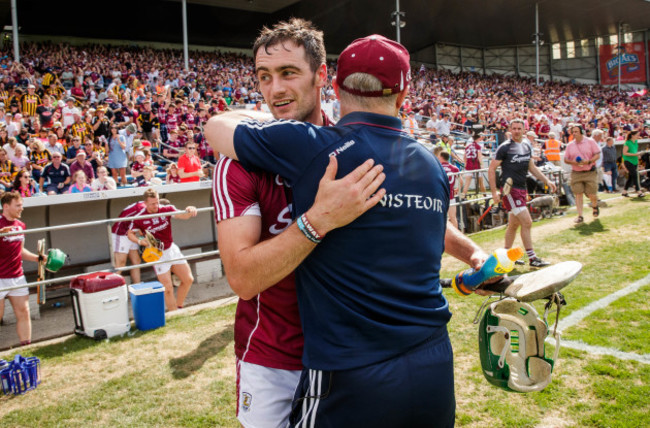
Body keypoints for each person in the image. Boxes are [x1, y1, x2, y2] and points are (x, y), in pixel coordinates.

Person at [207, 34, 493, 428]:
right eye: (263, 76)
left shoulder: (329, 146)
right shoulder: (240, 163)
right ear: (403, 92)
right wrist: (317, 220)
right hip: (278, 355)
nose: (275, 89)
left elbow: (411, 215)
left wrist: (472, 253)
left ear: (326, 78)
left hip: (346, 356)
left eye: (288, 73)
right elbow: (242, 279)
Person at [488, 119, 556, 267]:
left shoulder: (526, 145)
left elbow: (532, 167)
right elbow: (491, 169)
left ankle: (505, 257)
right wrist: (494, 192)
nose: (517, 131)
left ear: (524, 130)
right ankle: (532, 258)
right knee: (527, 221)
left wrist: (547, 181)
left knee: (513, 225)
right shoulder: (504, 148)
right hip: (510, 190)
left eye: (519, 128)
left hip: (522, 188)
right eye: (514, 128)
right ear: (510, 130)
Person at [127, 188, 196, 311]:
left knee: (188, 279)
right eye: (153, 203)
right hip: (157, 253)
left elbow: (182, 215)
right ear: (145, 203)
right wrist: (139, 241)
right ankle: (173, 313)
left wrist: (189, 210)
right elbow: (130, 233)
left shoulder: (166, 209)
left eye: (157, 202)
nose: (156, 206)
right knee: (168, 287)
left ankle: (179, 307)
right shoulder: (139, 217)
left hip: (171, 248)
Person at [0, 192, 41, 346]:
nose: (21, 209)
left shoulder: (20, 225)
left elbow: (20, 251)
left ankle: (26, 347)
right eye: (17, 205)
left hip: (17, 276)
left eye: (21, 205)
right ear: (6, 206)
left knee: (24, 312)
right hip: (0, 277)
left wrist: (37, 258)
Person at [563, 124, 601, 222]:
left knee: (592, 194)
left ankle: (595, 206)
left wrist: (588, 161)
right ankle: (580, 216)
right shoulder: (570, 145)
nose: (574, 134)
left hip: (590, 171)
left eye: (576, 131)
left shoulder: (590, 141)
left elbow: (597, 154)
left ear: (581, 132)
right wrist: (573, 162)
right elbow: (566, 159)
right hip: (576, 172)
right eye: (573, 132)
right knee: (578, 194)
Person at [435, 147, 460, 228]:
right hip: (451, 195)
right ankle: (457, 236)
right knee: (453, 217)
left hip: (440, 195)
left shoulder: (437, 167)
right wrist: (458, 188)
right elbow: (461, 181)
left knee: (441, 218)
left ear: (441, 157)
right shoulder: (455, 168)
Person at [620, 129, 644, 198]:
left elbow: (634, 151)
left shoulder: (636, 142)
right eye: (637, 135)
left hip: (635, 161)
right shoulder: (627, 143)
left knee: (630, 177)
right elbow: (624, 153)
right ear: (632, 135)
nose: (638, 136)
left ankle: (624, 192)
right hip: (628, 161)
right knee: (635, 175)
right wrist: (635, 154)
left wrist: (637, 155)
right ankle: (639, 191)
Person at [460, 132, 485, 197]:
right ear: (479, 138)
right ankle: (486, 198)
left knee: (467, 184)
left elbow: (464, 157)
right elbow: (479, 156)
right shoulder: (478, 146)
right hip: (476, 166)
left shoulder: (467, 146)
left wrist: (465, 164)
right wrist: (482, 165)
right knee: (481, 183)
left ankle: (463, 197)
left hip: (468, 166)